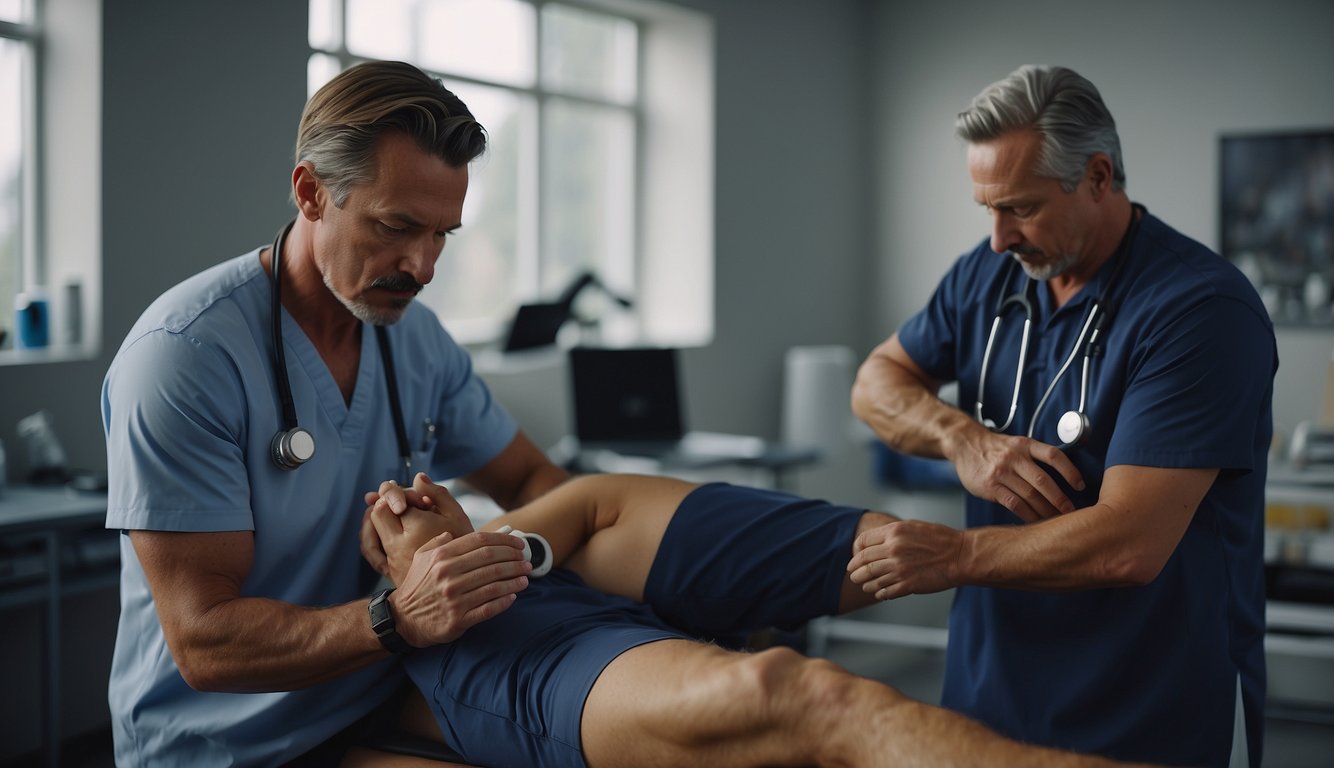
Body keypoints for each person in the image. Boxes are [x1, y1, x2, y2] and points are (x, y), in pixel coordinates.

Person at [100, 60, 569, 765]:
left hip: (376, 695)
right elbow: (205, 642)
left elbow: (534, 481)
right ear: (311, 191)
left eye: (443, 234)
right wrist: (401, 615)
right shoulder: (185, 358)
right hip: (225, 742)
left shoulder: (416, 340)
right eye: (396, 227)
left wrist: (491, 557)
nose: (423, 267)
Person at [848, 64, 1276, 767]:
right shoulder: (985, 277)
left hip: (1154, 706)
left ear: (1099, 177)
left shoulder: (1200, 310)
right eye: (986, 207)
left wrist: (952, 556)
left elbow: (1127, 545)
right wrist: (963, 439)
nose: (998, 237)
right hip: (989, 688)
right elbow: (875, 381)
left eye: (1019, 207)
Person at [352, 471, 1153, 768]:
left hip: (557, 548)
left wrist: (498, 543)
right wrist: (406, 600)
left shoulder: (408, 327)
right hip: (449, 631)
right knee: (804, 698)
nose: (423, 257)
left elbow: (544, 478)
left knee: (888, 546)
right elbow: (244, 681)